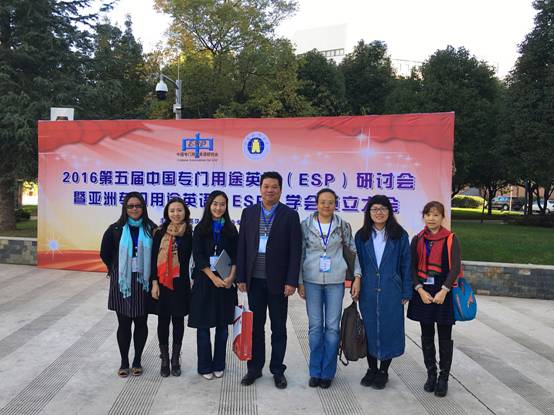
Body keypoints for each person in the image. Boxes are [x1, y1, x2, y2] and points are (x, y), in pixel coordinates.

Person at [236, 171, 302, 389]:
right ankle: (254, 369)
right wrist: (241, 277)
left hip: (279, 282)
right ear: (260, 188)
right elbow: (242, 246)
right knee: (255, 327)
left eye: (274, 187)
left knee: (278, 328)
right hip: (254, 280)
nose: (270, 190)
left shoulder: (290, 215)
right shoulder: (249, 212)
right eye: (266, 186)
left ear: (280, 190)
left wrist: (291, 281)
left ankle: (277, 370)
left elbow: (295, 251)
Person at [298, 188, 361, 389]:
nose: (326, 205)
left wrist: (357, 276)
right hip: (311, 281)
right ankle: (315, 371)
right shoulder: (305, 225)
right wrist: (300, 281)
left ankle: (328, 372)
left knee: (332, 328)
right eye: (322, 202)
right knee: (315, 328)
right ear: (316, 204)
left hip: (335, 281)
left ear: (336, 204)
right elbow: (300, 254)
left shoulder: (343, 226)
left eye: (331, 202)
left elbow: (353, 252)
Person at [354, 195, 412, 389]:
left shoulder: (399, 235)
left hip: (391, 289)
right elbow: (357, 264)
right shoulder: (362, 236)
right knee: (369, 328)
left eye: (383, 209)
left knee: (389, 328)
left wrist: (406, 290)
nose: (379, 213)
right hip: (368, 289)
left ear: (389, 211)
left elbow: (406, 264)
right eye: (374, 209)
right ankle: (371, 369)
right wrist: (356, 283)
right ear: (369, 213)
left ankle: (384, 371)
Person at [407, 201, 461, 397]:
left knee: (445, 337)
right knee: (427, 335)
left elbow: (455, 268)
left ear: (442, 217)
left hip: (443, 291)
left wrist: (444, 290)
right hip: (424, 292)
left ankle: (443, 378)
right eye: (428, 214)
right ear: (424, 216)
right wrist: (419, 290)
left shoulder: (451, 239)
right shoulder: (418, 239)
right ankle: (431, 375)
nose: (431, 218)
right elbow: (411, 267)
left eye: (436, 215)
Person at [100, 192, 157, 378]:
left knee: (141, 322)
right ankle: (124, 362)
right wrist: (116, 268)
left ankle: (137, 360)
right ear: (125, 208)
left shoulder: (151, 229)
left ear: (143, 208)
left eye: (138, 205)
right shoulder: (115, 229)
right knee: (123, 323)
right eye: (130, 206)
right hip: (122, 282)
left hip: (143, 282)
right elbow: (104, 253)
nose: (134, 209)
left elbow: (157, 254)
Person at [188, 191, 238, 380]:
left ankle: (219, 364)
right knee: (203, 327)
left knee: (222, 328)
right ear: (209, 205)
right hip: (205, 282)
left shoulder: (231, 229)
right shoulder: (200, 229)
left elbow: (236, 256)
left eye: (222, 204)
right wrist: (212, 278)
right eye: (215, 204)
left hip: (225, 283)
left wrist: (231, 277)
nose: (218, 208)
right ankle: (204, 366)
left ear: (226, 206)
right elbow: (198, 256)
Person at [150, 197, 193, 377]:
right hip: (163, 283)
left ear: (185, 213)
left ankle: (175, 359)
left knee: (178, 321)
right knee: (163, 321)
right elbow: (153, 259)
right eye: (172, 210)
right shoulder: (159, 233)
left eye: (179, 210)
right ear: (167, 213)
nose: (176, 213)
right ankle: (164, 359)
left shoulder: (190, 233)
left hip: (181, 284)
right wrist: (154, 283)